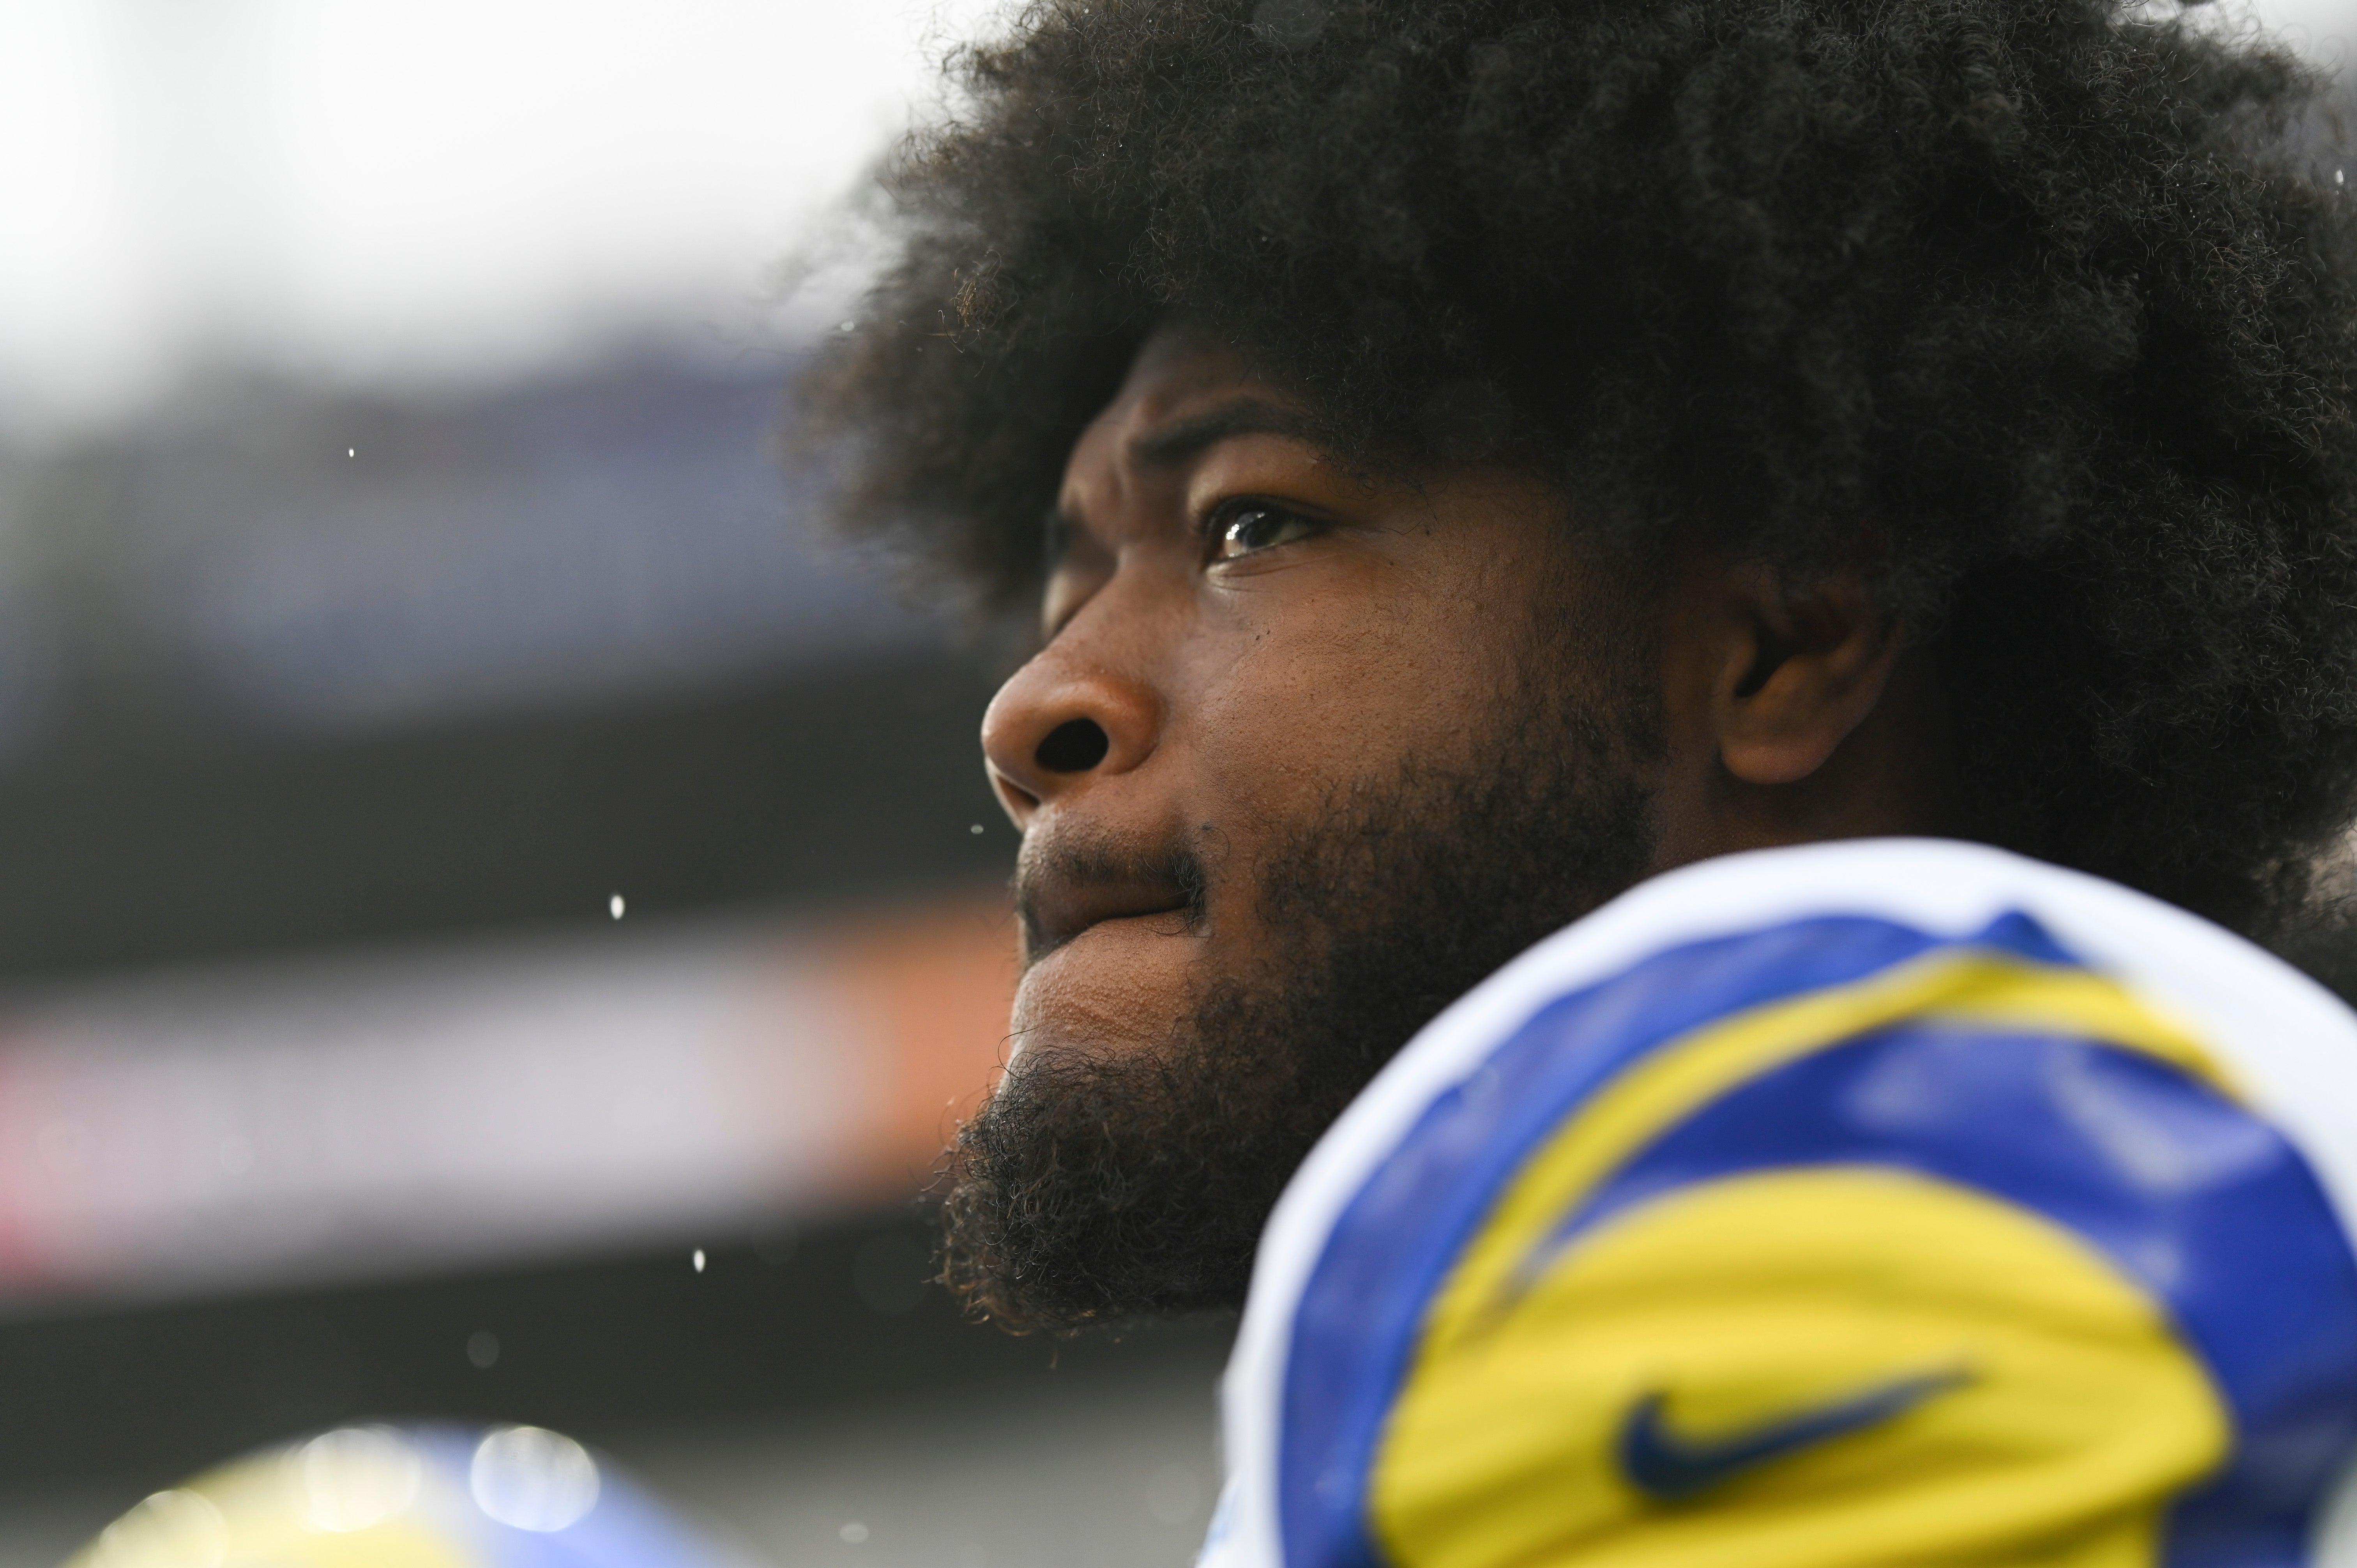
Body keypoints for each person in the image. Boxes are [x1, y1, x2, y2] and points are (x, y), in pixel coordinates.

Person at [807, 0, 2357, 1563]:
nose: (1033, 708)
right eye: (1068, 585)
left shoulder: (1931, 1224)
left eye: (1253, 523)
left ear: (1782, 639)